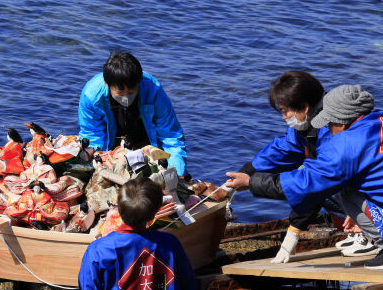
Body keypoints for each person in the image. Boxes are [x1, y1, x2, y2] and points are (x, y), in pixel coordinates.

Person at [226, 84, 383, 269]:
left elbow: (309, 184)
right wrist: (248, 171)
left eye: (329, 124)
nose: (328, 129)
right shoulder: (377, 121)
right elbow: (284, 151)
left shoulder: (347, 143)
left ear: (341, 123)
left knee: (343, 189)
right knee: (349, 185)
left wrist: (252, 182)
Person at [238, 71, 332, 263]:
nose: (283, 117)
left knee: (328, 189)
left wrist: (293, 232)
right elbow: (284, 149)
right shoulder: (309, 124)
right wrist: (246, 172)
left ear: (304, 107)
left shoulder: (331, 131)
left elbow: (314, 183)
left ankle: (371, 234)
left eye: (284, 111)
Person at [78, 52, 187, 175]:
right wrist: (98, 160)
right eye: (120, 92)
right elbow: (93, 134)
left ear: (139, 82)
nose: (126, 97)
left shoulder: (154, 91)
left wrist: (176, 171)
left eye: (131, 91)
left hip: (145, 142)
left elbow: (170, 136)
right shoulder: (91, 96)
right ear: (107, 84)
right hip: (111, 145)